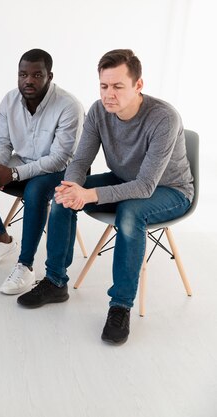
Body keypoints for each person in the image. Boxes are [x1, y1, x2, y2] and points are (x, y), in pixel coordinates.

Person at [16, 49, 194, 345]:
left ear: (139, 85)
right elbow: (80, 162)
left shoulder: (163, 118)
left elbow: (146, 186)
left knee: (130, 213)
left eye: (118, 86)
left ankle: (120, 306)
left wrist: (88, 194)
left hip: (170, 190)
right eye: (104, 86)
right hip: (125, 179)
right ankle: (55, 281)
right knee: (63, 193)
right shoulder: (99, 111)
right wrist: (73, 188)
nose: (109, 94)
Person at [0, 48, 84, 295]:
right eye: (22, 74)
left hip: (61, 169)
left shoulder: (68, 106)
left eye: (36, 75)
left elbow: (60, 158)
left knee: (36, 190)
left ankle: (25, 266)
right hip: (24, 161)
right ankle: (1, 240)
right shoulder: (9, 100)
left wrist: (14, 175)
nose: (28, 80)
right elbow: (2, 142)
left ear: (49, 76)